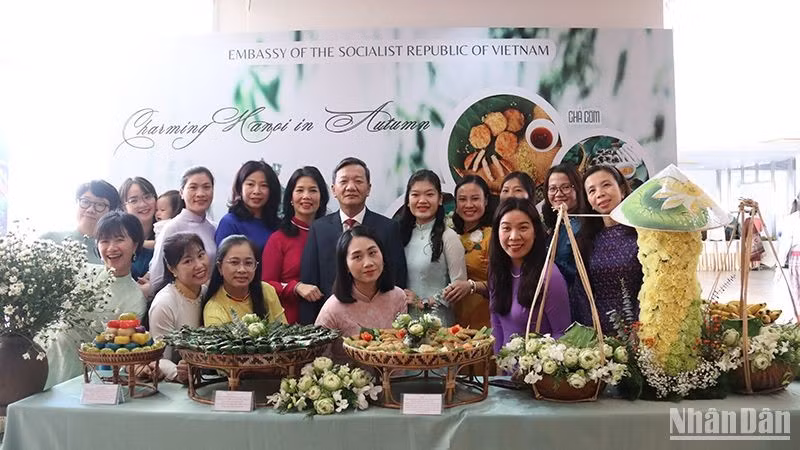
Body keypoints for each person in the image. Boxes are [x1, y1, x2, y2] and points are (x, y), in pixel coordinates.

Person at [45, 211, 146, 389]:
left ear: (135, 245)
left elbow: (117, 349)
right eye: (104, 241)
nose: (111, 248)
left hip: (85, 375)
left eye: (119, 239)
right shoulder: (81, 272)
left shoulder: (135, 299)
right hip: (48, 358)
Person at [300, 157, 407, 324]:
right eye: (344, 181)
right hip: (333, 322)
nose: (351, 187)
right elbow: (310, 282)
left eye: (358, 181)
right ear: (334, 190)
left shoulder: (388, 227)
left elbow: (397, 277)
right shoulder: (319, 229)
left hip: (382, 322)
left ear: (368, 188)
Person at [489, 199, 571, 353]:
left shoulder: (550, 276)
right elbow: (497, 326)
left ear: (535, 232)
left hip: (537, 366)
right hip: (504, 366)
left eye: (523, 228)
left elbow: (562, 334)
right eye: (506, 228)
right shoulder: (498, 271)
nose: (514, 236)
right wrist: (497, 361)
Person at [571, 165, 642, 333]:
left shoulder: (642, 235)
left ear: (622, 190)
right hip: (600, 333)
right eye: (592, 190)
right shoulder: (586, 240)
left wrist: (639, 327)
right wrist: (591, 332)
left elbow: (650, 285)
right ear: (588, 201)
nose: (600, 194)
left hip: (640, 330)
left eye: (606, 185)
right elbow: (581, 292)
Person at [398, 169, 467, 326]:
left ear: (440, 199)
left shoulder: (449, 237)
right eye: (415, 195)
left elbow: (459, 285)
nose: (422, 200)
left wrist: (425, 301)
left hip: (437, 323)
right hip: (401, 323)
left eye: (429, 194)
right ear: (408, 200)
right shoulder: (399, 235)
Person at [261, 166, 329, 324]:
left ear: (321, 197)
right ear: (290, 198)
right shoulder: (278, 239)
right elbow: (265, 285)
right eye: (300, 190)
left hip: (328, 318)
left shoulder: (331, 235)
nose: (306, 196)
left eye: (313, 190)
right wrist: (296, 287)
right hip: (290, 322)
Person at [315, 226, 407, 338]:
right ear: (345, 266)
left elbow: (404, 343)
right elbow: (318, 348)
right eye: (357, 257)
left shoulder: (398, 296)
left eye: (372, 253)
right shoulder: (332, 309)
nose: (368, 263)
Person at [148, 232, 210, 382]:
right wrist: (178, 372)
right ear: (172, 269)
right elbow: (159, 357)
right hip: (176, 386)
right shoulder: (164, 303)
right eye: (188, 261)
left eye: (201, 255)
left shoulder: (206, 292)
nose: (199, 265)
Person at [149, 166, 216, 295]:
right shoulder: (172, 228)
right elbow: (157, 275)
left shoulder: (214, 228)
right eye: (193, 187)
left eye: (206, 187)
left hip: (210, 299)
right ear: (181, 192)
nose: (200, 193)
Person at [202, 235, 287, 326]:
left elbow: (285, 330)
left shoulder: (266, 290)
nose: (242, 270)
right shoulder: (214, 309)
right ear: (220, 267)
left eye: (248, 263)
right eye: (234, 262)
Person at [445, 175, 493, 330]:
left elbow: (506, 284)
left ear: (486, 201)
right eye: (462, 199)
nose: (469, 205)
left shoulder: (493, 237)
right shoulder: (449, 236)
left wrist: (472, 286)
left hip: (485, 322)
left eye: (475, 198)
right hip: (451, 321)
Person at [42, 179, 121, 265]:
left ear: (112, 212)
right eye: (85, 201)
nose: (90, 210)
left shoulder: (113, 252)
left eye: (100, 204)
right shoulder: (49, 240)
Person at [215, 160, 281, 254]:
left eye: (264, 185)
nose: (256, 191)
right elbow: (223, 260)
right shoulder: (230, 223)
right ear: (240, 188)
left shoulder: (278, 225)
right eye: (250, 184)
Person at [541, 164, 586, 287]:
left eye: (566, 187)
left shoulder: (585, 226)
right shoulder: (556, 223)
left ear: (578, 189)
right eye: (552, 188)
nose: (558, 194)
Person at [119, 177, 157, 280]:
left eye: (147, 197)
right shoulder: (118, 238)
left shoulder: (167, 231)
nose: (143, 204)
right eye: (134, 201)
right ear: (123, 207)